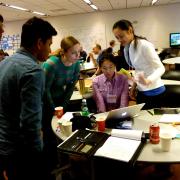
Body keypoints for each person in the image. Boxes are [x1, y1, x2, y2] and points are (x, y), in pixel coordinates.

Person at [0, 17, 57, 180]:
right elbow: (30, 123)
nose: (50, 50)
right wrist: (38, 155)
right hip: (23, 152)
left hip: (5, 145)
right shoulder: (33, 71)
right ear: (39, 43)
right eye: (49, 44)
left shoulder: (4, 63)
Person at [42, 36, 81, 180]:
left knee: (63, 131)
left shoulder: (76, 64)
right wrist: (54, 109)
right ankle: (51, 166)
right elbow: (44, 90)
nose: (77, 56)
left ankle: (65, 162)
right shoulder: (51, 64)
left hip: (60, 100)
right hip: (46, 101)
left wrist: (63, 107)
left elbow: (70, 87)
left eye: (79, 52)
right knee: (50, 134)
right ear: (63, 52)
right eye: (73, 53)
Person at [113, 19, 165, 109]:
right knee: (142, 120)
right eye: (117, 38)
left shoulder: (144, 45)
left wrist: (148, 80)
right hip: (141, 91)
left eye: (121, 36)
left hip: (154, 91)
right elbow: (138, 70)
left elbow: (161, 68)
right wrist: (134, 86)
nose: (119, 40)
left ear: (130, 30)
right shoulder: (129, 47)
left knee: (153, 122)